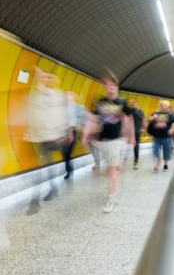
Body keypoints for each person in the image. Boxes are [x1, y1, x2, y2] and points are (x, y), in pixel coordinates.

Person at [84, 71, 134, 212]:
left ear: (116, 87)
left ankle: (110, 198)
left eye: (112, 85)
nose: (109, 87)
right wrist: (86, 135)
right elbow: (94, 120)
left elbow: (128, 120)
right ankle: (116, 168)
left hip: (116, 140)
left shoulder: (122, 102)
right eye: (106, 85)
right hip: (102, 141)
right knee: (112, 167)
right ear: (104, 87)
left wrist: (132, 137)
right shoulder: (99, 103)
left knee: (110, 169)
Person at [26, 70, 70, 214]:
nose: (46, 80)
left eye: (48, 78)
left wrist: (63, 132)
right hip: (41, 137)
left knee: (40, 168)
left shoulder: (55, 95)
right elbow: (33, 113)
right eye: (43, 78)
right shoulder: (37, 94)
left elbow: (60, 115)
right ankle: (53, 189)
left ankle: (34, 201)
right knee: (47, 165)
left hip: (51, 137)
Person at [147, 100, 174, 173]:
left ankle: (165, 164)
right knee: (156, 151)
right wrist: (153, 118)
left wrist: (172, 129)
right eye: (162, 105)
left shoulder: (171, 115)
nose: (164, 106)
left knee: (167, 151)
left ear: (168, 107)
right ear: (160, 106)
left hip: (167, 137)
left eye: (165, 105)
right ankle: (156, 166)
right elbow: (149, 119)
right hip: (156, 137)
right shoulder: (155, 113)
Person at [62, 91, 85, 180]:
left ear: (73, 97)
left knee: (68, 151)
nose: (66, 97)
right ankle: (69, 168)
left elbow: (82, 120)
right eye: (65, 95)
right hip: (63, 132)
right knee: (65, 153)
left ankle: (69, 169)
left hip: (73, 131)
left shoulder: (79, 108)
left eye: (68, 95)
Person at [127, 99, 147, 170]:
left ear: (136, 103)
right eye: (130, 103)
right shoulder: (129, 110)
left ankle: (136, 161)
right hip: (129, 131)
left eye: (133, 103)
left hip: (137, 130)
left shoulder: (140, 111)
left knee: (136, 145)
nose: (132, 104)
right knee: (132, 145)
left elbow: (143, 120)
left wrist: (145, 129)